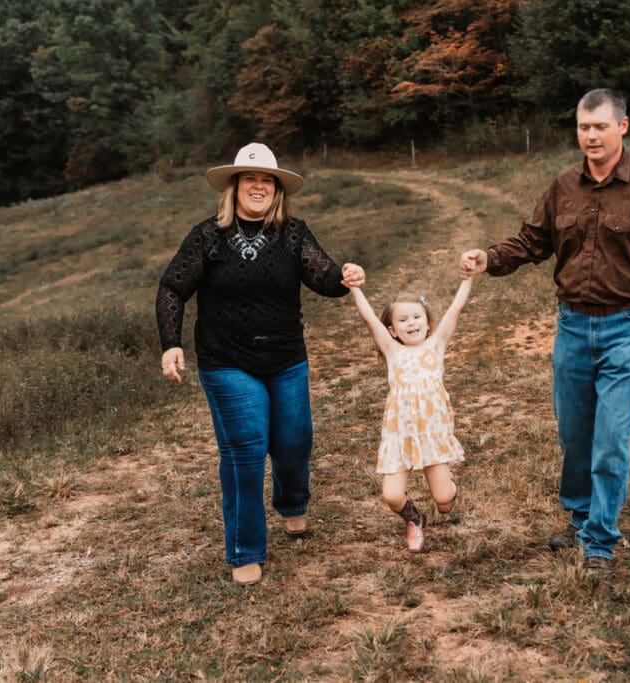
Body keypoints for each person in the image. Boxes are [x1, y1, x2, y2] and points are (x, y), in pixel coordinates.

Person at [460, 88, 630, 577]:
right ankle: (579, 516)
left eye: (600, 126)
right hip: (573, 324)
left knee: (611, 436)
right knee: (575, 433)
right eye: (583, 127)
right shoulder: (563, 186)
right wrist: (490, 258)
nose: (590, 136)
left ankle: (599, 542)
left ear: (623, 126)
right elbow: (533, 240)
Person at [156, 142, 365, 585]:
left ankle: (292, 502)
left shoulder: (293, 233)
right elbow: (172, 288)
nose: (258, 186)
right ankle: (245, 550)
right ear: (233, 188)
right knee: (246, 450)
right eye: (249, 179)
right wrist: (170, 343)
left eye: (266, 180)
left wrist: (345, 276)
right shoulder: (206, 237)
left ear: (277, 190)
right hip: (227, 362)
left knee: (293, 442)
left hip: (286, 358)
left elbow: (323, 276)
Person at [346, 272, 474, 552]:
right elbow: (369, 320)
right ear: (392, 330)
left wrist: (466, 278)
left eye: (416, 317)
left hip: (431, 432)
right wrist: (355, 289)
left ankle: (447, 483)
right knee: (391, 495)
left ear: (428, 323)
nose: (410, 323)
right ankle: (415, 519)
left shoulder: (436, 345)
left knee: (444, 502)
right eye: (402, 320)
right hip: (399, 434)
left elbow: (456, 309)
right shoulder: (392, 351)